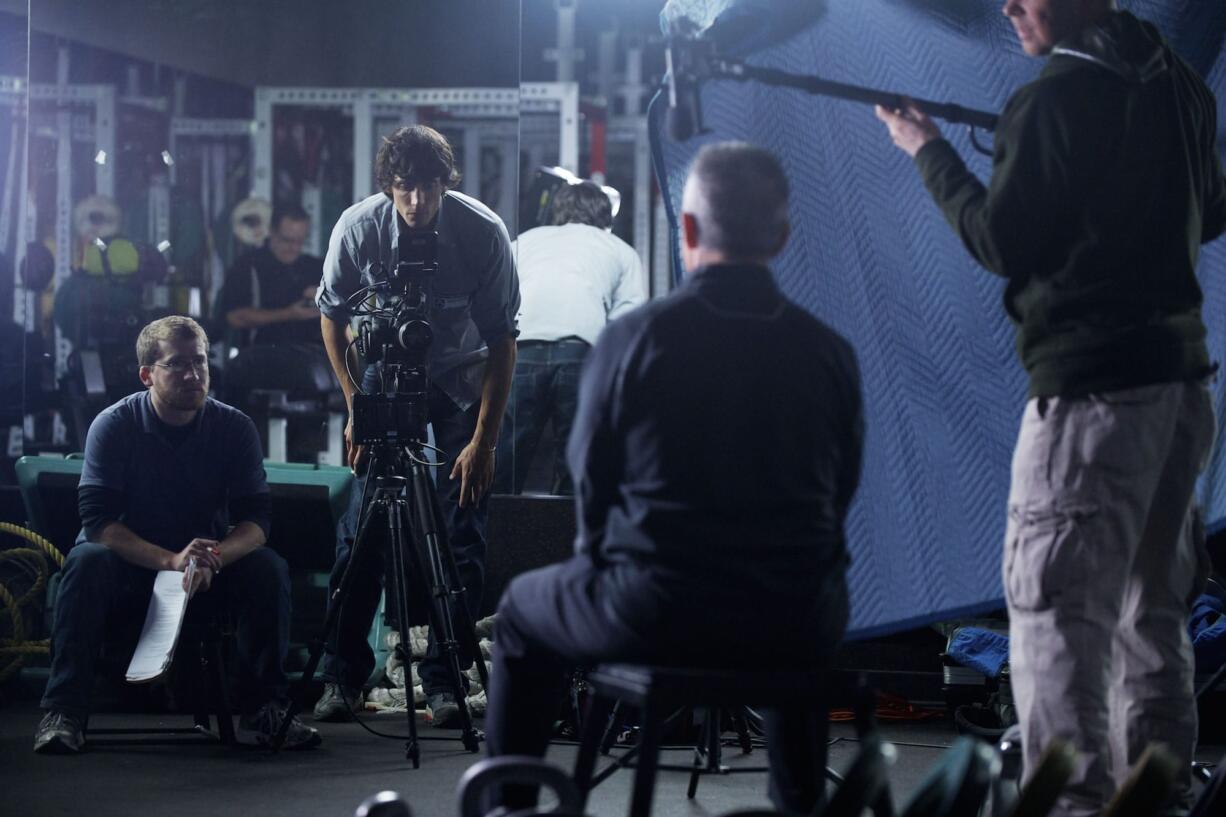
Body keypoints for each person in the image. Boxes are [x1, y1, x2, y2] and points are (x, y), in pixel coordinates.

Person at [875, 2, 1225, 814]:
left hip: (1091, 398)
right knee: (1152, 611)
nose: (1007, 6)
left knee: (1058, 618)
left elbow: (1000, 240)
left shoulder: (1052, 99)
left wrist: (927, 150)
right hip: (1178, 388)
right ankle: (1158, 794)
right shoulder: (1173, 79)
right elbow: (1213, 206)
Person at [484, 142, 863, 815]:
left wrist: (604, 568)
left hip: (656, 610)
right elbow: (841, 493)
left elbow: (591, 488)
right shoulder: (830, 352)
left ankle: (511, 808)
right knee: (798, 604)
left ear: (686, 233)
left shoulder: (634, 340)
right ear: (781, 237)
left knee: (518, 611)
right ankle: (798, 801)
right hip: (795, 619)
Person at [33, 316, 320, 754]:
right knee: (86, 561)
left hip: (201, 568)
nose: (193, 375)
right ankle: (64, 710)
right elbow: (99, 523)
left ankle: (266, 707)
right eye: (177, 365)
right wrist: (170, 560)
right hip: (130, 565)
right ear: (147, 374)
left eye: (200, 362)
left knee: (268, 569)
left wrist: (215, 557)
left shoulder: (234, 427)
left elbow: (257, 522)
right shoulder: (114, 425)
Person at [313, 125, 518, 727]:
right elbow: (329, 317)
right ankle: (343, 675)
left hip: (459, 377)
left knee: (461, 525)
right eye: (404, 188)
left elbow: (504, 342)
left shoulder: (481, 232)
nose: (416, 202)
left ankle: (446, 679)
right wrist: (354, 401)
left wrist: (485, 442)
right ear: (388, 186)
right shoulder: (357, 228)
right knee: (364, 526)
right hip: (383, 376)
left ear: (444, 184)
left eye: (427, 188)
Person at [494, 180, 645, 495]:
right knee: (576, 462)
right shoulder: (620, 250)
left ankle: (497, 535)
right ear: (606, 216)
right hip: (581, 354)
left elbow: (498, 299)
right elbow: (626, 325)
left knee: (506, 458)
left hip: (522, 351)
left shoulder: (526, 241)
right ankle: (565, 539)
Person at [217, 203, 323, 349]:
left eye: (300, 241)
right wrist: (288, 314)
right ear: (272, 231)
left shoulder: (315, 266)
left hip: (312, 359)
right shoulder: (247, 266)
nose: (294, 248)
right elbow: (235, 317)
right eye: (287, 240)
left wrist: (326, 295)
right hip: (262, 359)